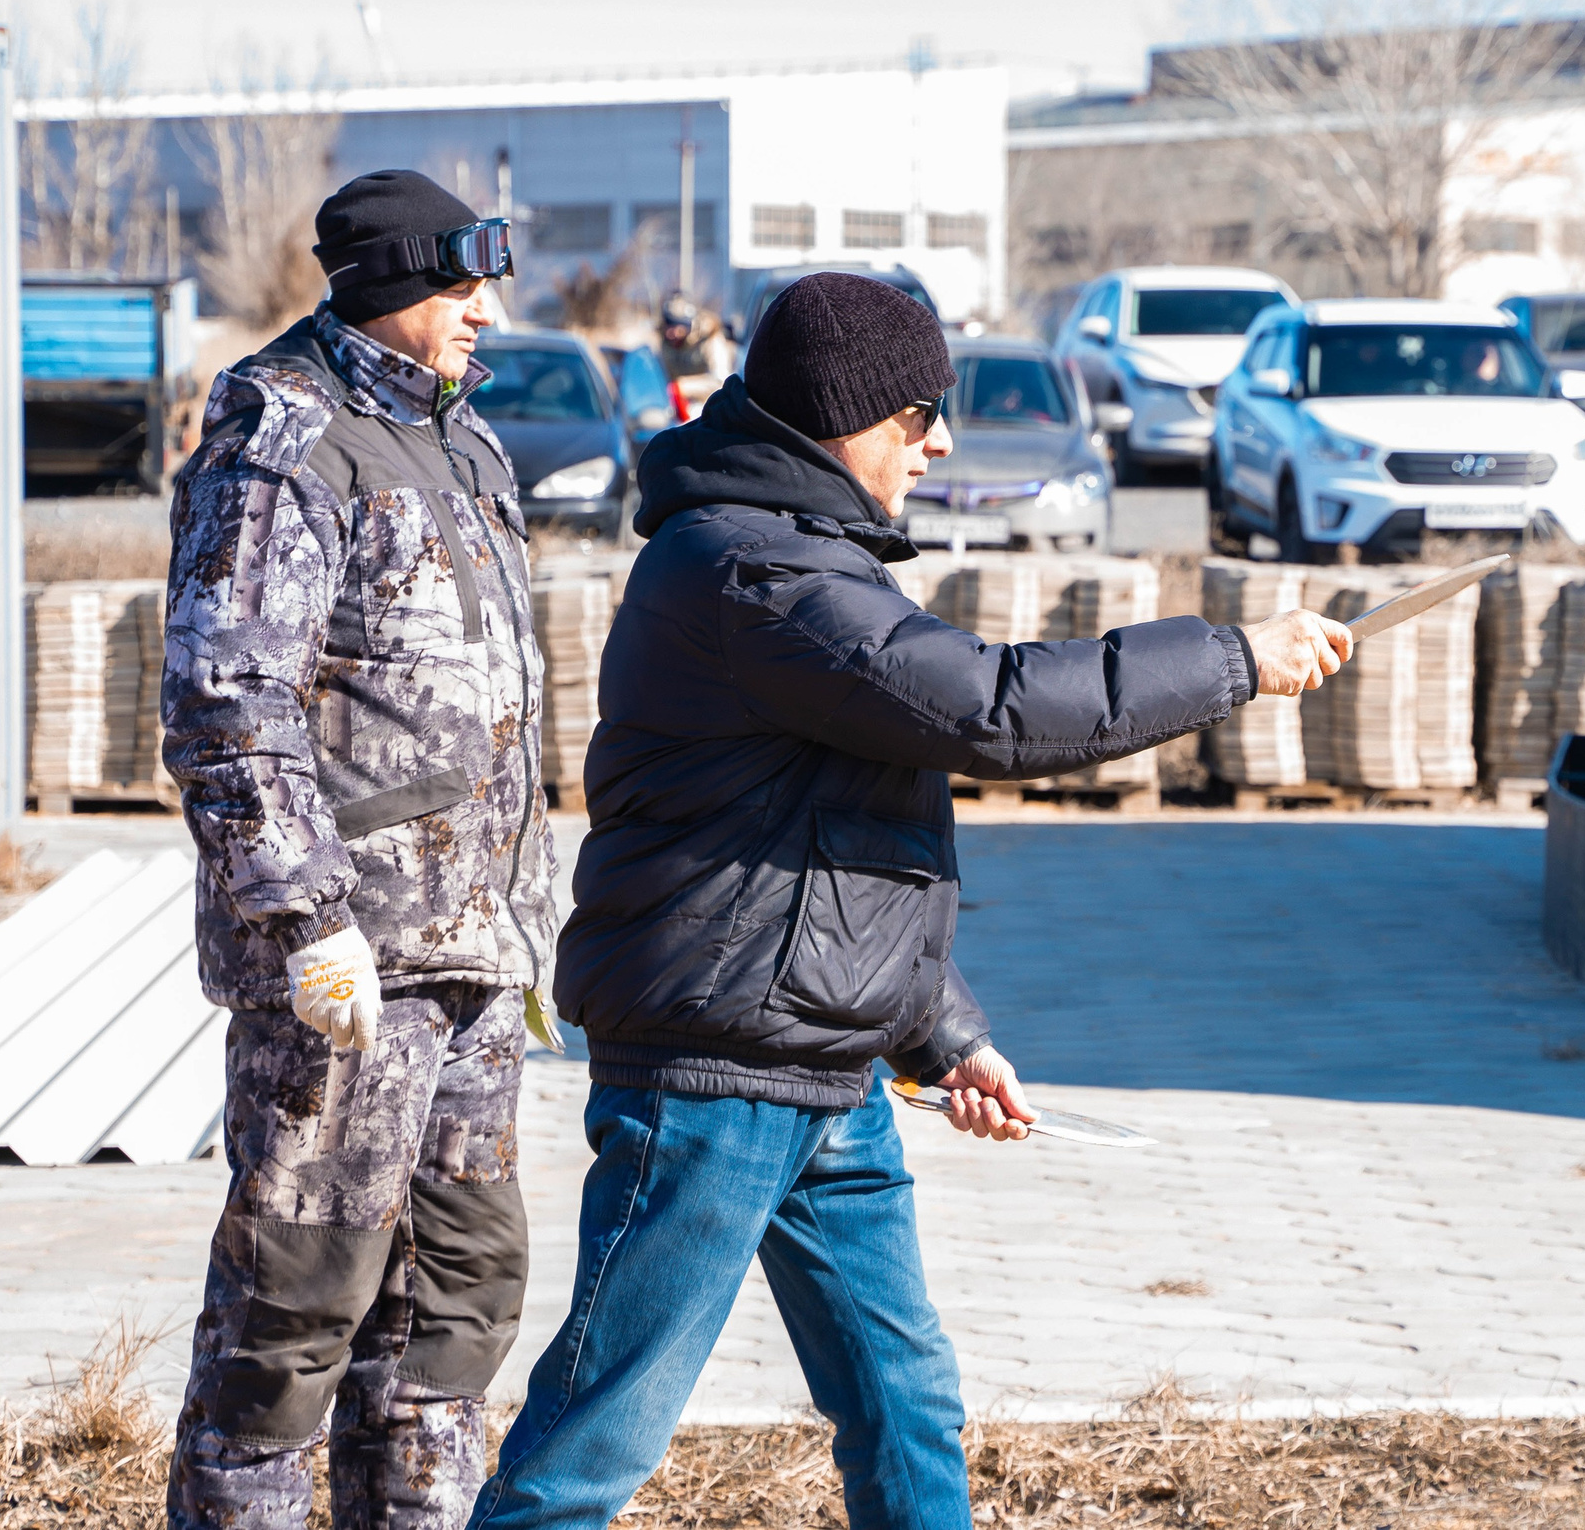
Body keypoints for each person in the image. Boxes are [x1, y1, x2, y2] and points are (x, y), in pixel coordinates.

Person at [469, 272, 1352, 1529]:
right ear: (841, 417)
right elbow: (988, 707)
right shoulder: (753, 574)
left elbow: (844, 843)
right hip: (716, 1081)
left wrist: (946, 1038)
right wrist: (1231, 658)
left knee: (905, 1403)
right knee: (595, 1441)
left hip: (823, 1068)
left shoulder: (812, 560)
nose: (937, 444)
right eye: (917, 415)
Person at [160, 169, 558, 1529]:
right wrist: (304, 916)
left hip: (476, 961)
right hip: (351, 975)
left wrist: (527, 919)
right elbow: (227, 697)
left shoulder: (463, 440)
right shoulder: (287, 439)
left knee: (450, 1318)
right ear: (390, 286)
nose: (485, 310)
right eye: (461, 285)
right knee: (290, 1325)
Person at [655, 291, 733, 414]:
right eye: (668, 325)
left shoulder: (710, 339)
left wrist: (683, 387)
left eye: (676, 327)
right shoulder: (664, 341)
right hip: (673, 410)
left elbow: (721, 382)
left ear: (688, 325)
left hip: (709, 410)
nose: (671, 333)